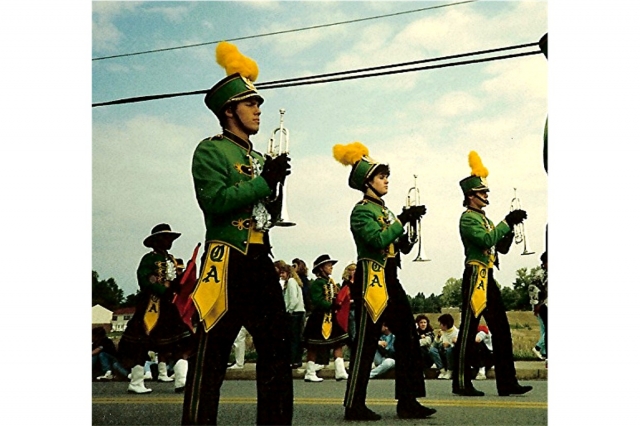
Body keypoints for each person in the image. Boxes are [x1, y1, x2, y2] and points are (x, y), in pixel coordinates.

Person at [181, 41, 293, 425]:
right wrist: (265, 183)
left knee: (277, 352)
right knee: (212, 353)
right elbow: (214, 202)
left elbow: (264, 213)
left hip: (260, 260)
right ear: (230, 110)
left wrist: (275, 188)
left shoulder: (260, 158)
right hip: (226, 260)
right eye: (251, 104)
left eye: (259, 104)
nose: (258, 110)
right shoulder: (210, 152)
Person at [333, 142, 436, 421]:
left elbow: (399, 246)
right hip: (371, 279)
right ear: (367, 181)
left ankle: (408, 401)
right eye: (381, 176)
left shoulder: (387, 211)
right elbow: (377, 240)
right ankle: (354, 404)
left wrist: (410, 227)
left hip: (391, 277)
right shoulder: (361, 211)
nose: (386, 180)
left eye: (386, 176)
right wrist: (401, 219)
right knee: (367, 342)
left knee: (408, 337)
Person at [452, 151, 533, 397]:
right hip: (474, 276)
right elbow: (486, 239)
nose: (487, 196)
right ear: (471, 196)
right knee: (468, 330)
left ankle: (507, 382)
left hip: (488, 276)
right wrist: (506, 222)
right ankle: (461, 382)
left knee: (502, 330)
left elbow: (501, 248)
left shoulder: (485, 219)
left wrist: (510, 229)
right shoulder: (468, 219)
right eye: (483, 193)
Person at [117, 224, 194, 394]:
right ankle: (136, 382)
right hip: (151, 307)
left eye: (170, 238)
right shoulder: (149, 259)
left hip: (169, 306)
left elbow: (175, 282)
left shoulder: (172, 259)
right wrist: (163, 290)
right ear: (157, 240)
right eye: (166, 238)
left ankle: (181, 380)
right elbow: (145, 280)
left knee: (179, 342)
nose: (169, 241)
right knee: (141, 344)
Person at [302, 255, 350, 383]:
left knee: (338, 343)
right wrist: (331, 305)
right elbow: (317, 300)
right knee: (313, 346)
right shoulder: (317, 284)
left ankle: (340, 371)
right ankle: (310, 372)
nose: (331, 267)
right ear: (321, 268)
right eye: (328, 265)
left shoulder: (330, 282)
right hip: (319, 317)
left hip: (331, 317)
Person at [275, 260, 306, 369]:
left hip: (294, 313)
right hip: (298, 312)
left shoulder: (292, 282)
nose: (281, 275)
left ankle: (293, 360)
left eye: (283, 273)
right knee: (296, 338)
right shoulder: (293, 282)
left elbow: (293, 299)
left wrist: (288, 311)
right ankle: (296, 360)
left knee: (293, 338)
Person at [529, 251, 548, 361]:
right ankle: (538, 347)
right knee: (547, 329)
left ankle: (544, 352)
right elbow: (533, 290)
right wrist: (536, 305)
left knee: (545, 329)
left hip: (545, 304)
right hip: (542, 305)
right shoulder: (540, 274)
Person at [433, 313, 458, 380]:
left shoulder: (456, 332)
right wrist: (438, 337)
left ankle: (450, 371)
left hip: (450, 354)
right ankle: (442, 370)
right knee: (432, 350)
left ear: (445, 325)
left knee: (449, 349)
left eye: (441, 324)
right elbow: (434, 346)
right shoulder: (442, 332)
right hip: (442, 352)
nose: (440, 326)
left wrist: (450, 344)